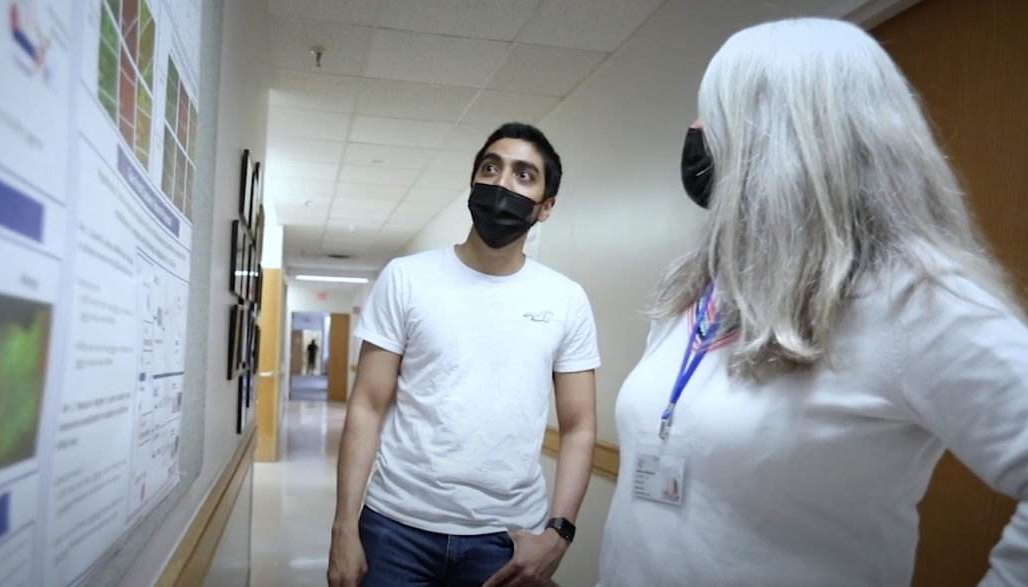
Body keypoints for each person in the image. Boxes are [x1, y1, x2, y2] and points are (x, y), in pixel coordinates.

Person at [597, 17, 1028, 587]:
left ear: (778, 135)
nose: (695, 130)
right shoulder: (705, 290)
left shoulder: (914, 301)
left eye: (711, 111)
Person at [327, 122, 601, 587]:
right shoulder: (406, 278)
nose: (501, 183)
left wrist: (560, 532)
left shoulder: (565, 299)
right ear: (473, 183)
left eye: (523, 175)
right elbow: (367, 406)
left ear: (546, 207)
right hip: (395, 528)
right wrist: (343, 526)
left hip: (508, 538)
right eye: (490, 168)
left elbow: (579, 426)